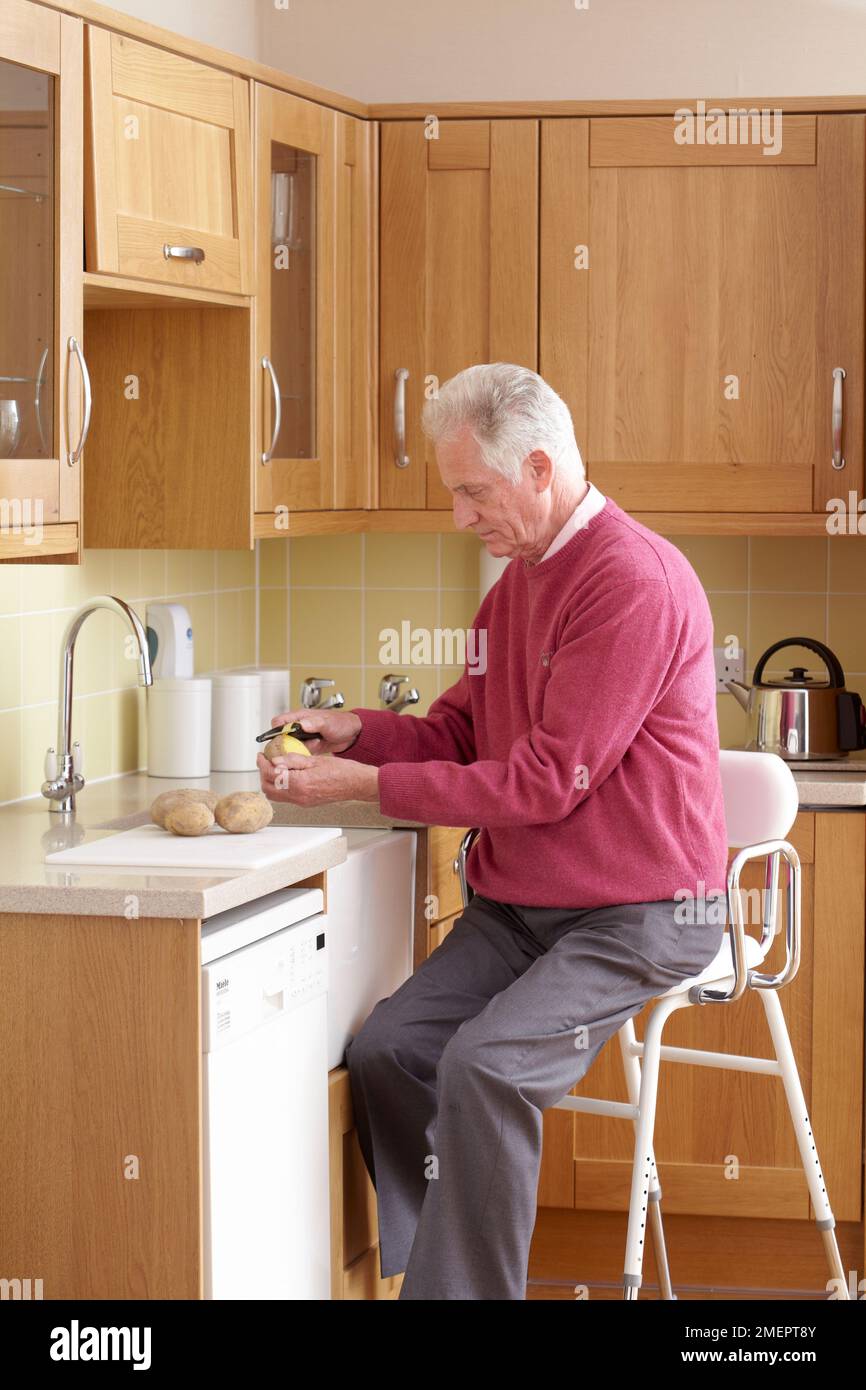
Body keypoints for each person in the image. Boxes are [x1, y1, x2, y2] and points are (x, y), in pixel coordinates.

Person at [258, 362, 729, 1300]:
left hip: (638, 913)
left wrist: (369, 782)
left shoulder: (629, 582)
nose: (462, 517)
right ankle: (442, 1276)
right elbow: (465, 731)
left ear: (539, 469)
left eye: (474, 492)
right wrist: (366, 731)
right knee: (391, 1051)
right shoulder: (516, 586)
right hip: (524, 909)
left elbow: (549, 779)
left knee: (486, 1066)